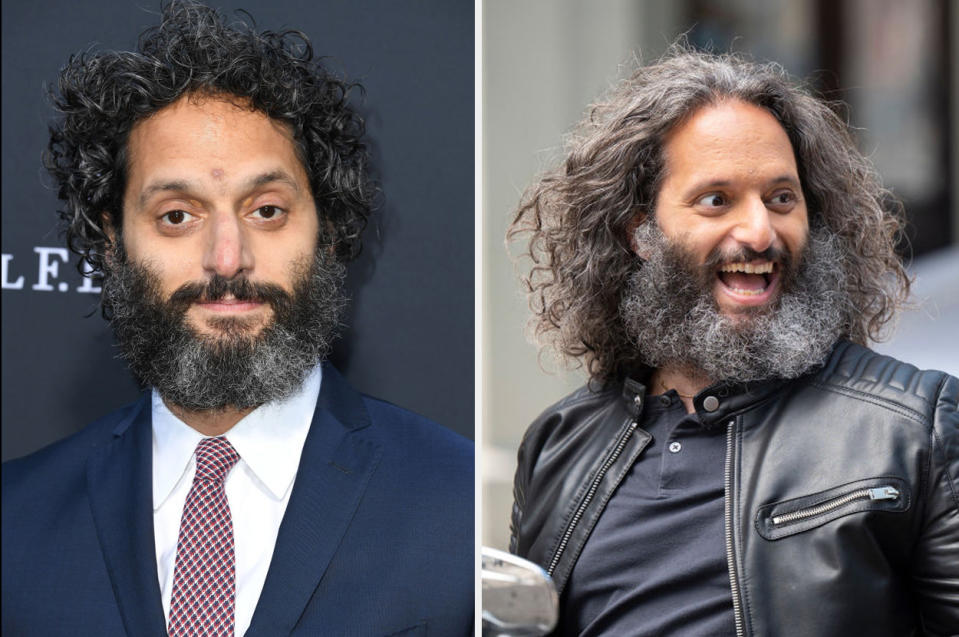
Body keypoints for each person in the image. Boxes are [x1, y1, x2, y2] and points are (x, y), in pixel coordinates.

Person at [1, 2, 472, 635]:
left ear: (328, 230)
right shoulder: (15, 519)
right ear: (113, 243)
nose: (228, 259)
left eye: (267, 210)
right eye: (177, 215)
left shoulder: (466, 509)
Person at [507, 46, 958, 636]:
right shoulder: (560, 442)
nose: (759, 231)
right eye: (717, 200)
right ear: (640, 233)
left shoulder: (915, 425)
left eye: (781, 198)